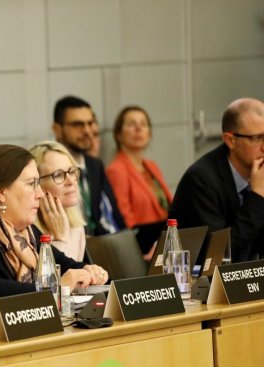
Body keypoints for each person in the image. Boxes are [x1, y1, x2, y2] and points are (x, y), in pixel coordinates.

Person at [0, 145, 108, 298]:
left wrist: (88, 270)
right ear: (1, 192)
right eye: (31, 184)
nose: (40, 194)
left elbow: (63, 263)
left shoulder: (25, 232)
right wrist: (55, 289)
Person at [170, 98, 264, 262]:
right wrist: (256, 197)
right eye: (257, 138)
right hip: (199, 282)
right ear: (230, 140)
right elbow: (219, 255)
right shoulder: (201, 181)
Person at [52, 96, 126, 236]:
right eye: (78, 125)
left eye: (90, 123)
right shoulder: (46, 170)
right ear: (57, 129)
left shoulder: (95, 165)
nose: (87, 131)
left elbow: (114, 216)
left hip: (98, 250)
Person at [106, 106, 172, 229]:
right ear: (118, 134)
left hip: (164, 237)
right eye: (131, 124)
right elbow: (124, 219)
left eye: (143, 124)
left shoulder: (152, 166)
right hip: (142, 243)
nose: (138, 128)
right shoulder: (116, 170)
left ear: (149, 133)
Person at [29, 141, 87, 261]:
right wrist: (60, 239)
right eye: (59, 175)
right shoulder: (27, 232)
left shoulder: (77, 227)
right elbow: (50, 279)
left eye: (72, 171)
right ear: (37, 185)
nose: (71, 181)